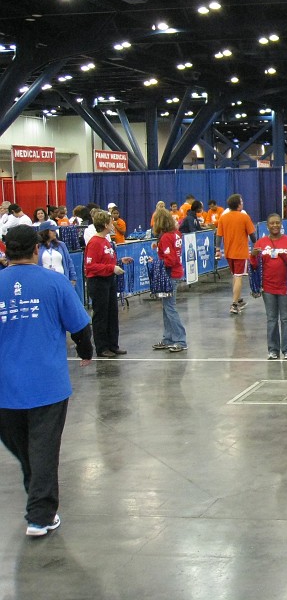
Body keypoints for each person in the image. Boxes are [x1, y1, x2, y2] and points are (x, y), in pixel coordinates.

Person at [0, 225, 93, 537]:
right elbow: (80, 325)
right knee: (42, 449)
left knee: (28, 450)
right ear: (36, 250)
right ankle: (40, 515)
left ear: (6, 250)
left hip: (5, 391)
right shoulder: (54, 283)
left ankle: (39, 507)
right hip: (47, 386)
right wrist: (86, 351)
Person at [251, 213, 287, 360]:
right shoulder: (261, 242)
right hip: (268, 287)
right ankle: (273, 350)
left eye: (277, 223)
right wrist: (252, 255)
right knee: (271, 319)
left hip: (285, 288)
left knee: (286, 319)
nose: (275, 225)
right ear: (267, 226)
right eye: (272, 223)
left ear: (281, 224)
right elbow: (255, 266)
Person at [84, 210, 126, 358]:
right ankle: (102, 347)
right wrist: (111, 268)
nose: (113, 224)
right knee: (101, 315)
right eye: (110, 221)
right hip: (98, 282)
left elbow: (106, 261)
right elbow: (90, 266)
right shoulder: (95, 242)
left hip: (109, 279)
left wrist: (119, 262)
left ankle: (113, 345)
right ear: (105, 224)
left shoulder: (105, 240)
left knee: (112, 314)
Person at [149, 208, 187, 353]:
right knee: (167, 307)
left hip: (170, 274)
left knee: (170, 308)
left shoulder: (165, 237)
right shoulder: (176, 234)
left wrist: (157, 262)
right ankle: (168, 338)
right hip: (176, 273)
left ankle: (180, 340)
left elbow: (169, 260)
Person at [215, 194, 256, 315]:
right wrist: (257, 244)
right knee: (238, 277)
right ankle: (234, 304)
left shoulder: (223, 217)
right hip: (240, 252)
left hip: (228, 252)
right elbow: (252, 234)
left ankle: (238, 299)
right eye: (241, 201)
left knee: (235, 276)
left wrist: (218, 249)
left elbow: (219, 235)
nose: (243, 203)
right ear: (238, 205)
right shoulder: (244, 217)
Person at [37, 220, 77, 287]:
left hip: (62, 280)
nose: (55, 232)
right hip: (44, 281)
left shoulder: (61, 245)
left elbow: (69, 261)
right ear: (45, 232)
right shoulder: (38, 247)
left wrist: (73, 277)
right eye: (52, 231)